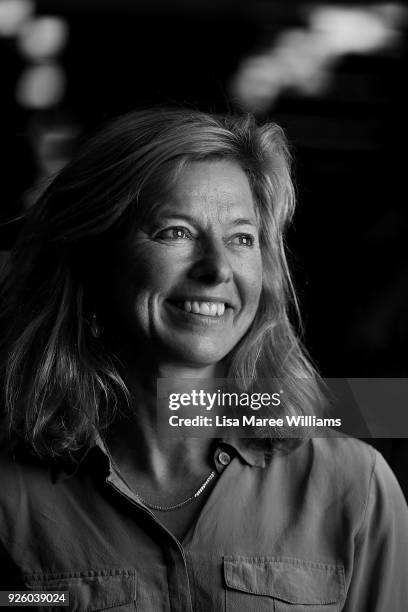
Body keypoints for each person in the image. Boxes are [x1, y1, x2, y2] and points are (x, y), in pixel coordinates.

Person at [0, 108, 407, 611]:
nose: (216, 269)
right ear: (94, 256)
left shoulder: (354, 485)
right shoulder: (12, 493)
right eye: (176, 231)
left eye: (241, 238)